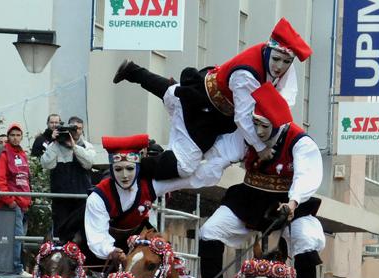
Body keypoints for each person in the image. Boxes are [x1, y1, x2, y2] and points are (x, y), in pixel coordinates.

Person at [112, 18, 311, 180]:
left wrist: (278, 119)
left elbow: (286, 97)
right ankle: (134, 165)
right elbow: (242, 117)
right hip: (205, 111)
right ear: (268, 51)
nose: (279, 67)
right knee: (184, 165)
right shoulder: (246, 75)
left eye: (286, 62)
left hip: (215, 101)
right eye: (276, 59)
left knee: (174, 94)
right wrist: (260, 148)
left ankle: (132, 71)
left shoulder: (280, 57)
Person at [194, 82, 324, 278]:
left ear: (279, 124)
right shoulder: (247, 135)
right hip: (250, 198)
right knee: (210, 231)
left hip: (287, 204)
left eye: (264, 126)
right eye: (255, 123)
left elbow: (306, 175)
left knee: (305, 239)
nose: (259, 131)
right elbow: (222, 154)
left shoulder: (300, 142)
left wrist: (292, 203)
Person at [82, 134, 212, 263]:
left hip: (137, 237)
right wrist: (110, 251)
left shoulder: (150, 185)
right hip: (101, 250)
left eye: (130, 168)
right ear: (111, 169)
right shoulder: (98, 197)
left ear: (138, 168)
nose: (124, 175)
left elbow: (190, 179)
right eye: (118, 169)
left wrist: (217, 162)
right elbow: (97, 236)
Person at [41, 116, 96, 242]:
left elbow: (89, 163)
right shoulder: (55, 145)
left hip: (81, 197)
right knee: (61, 231)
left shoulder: (86, 146)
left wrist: (74, 147)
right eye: (73, 128)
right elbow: (46, 164)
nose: (76, 131)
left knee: (81, 231)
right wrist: (55, 142)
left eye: (79, 128)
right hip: (61, 198)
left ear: (82, 130)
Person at [0, 123, 32, 275]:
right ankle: (15, 268)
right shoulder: (3, 153)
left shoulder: (22, 154)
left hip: (21, 203)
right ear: (8, 137)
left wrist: (28, 200)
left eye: (18, 135)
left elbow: (26, 179)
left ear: (21, 137)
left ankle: (14, 268)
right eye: (12, 135)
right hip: (11, 203)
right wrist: (10, 201)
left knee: (17, 237)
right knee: (14, 237)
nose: (15, 138)